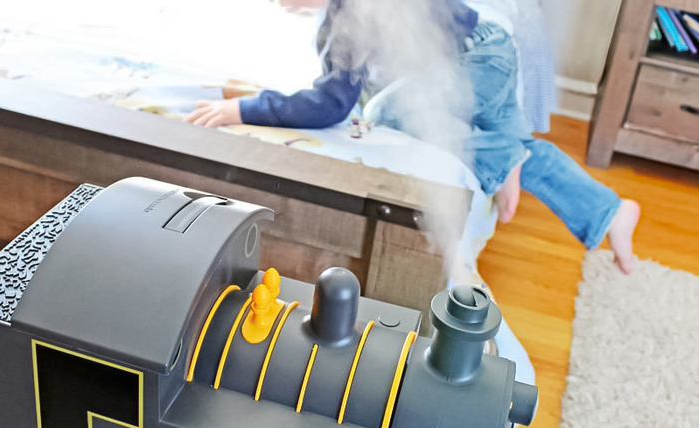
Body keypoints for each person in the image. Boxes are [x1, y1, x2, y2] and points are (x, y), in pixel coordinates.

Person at [185, 0, 639, 274]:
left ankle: (506, 157)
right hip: (493, 47)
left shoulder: (349, 16)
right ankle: (612, 212)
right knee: (403, 104)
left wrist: (244, 109)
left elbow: (331, 104)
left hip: (478, 61)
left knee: (383, 112)